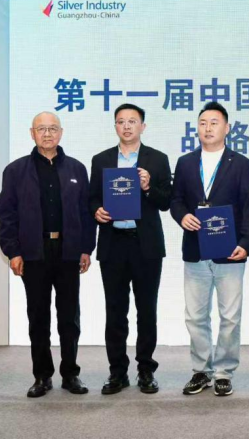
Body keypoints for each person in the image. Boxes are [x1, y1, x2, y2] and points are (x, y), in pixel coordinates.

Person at [0, 112, 94, 398]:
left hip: (68, 252)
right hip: (33, 253)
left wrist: (86, 248)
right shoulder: (15, 170)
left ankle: (70, 374)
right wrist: (13, 252)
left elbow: (86, 213)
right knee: (38, 317)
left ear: (61, 133)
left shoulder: (76, 169)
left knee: (69, 317)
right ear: (32, 133)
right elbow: (6, 214)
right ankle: (42, 375)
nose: (47, 134)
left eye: (52, 129)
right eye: (42, 129)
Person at [171, 102, 249, 397]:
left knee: (230, 316)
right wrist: (182, 216)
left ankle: (223, 372)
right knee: (195, 316)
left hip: (230, 250)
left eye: (214, 123)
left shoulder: (241, 163)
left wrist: (245, 244)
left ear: (227, 128)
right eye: (203, 123)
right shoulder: (185, 162)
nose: (208, 128)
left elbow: (248, 206)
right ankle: (201, 371)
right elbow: (176, 200)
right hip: (196, 249)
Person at [89, 104, 172, 395]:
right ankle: (117, 372)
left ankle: (146, 370)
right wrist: (96, 210)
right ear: (115, 126)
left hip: (145, 244)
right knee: (115, 311)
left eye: (132, 121)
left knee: (146, 310)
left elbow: (166, 201)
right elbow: (91, 198)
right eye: (121, 121)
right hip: (113, 243)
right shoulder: (101, 160)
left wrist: (148, 187)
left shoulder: (158, 159)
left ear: (142, 127)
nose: (126, 126)